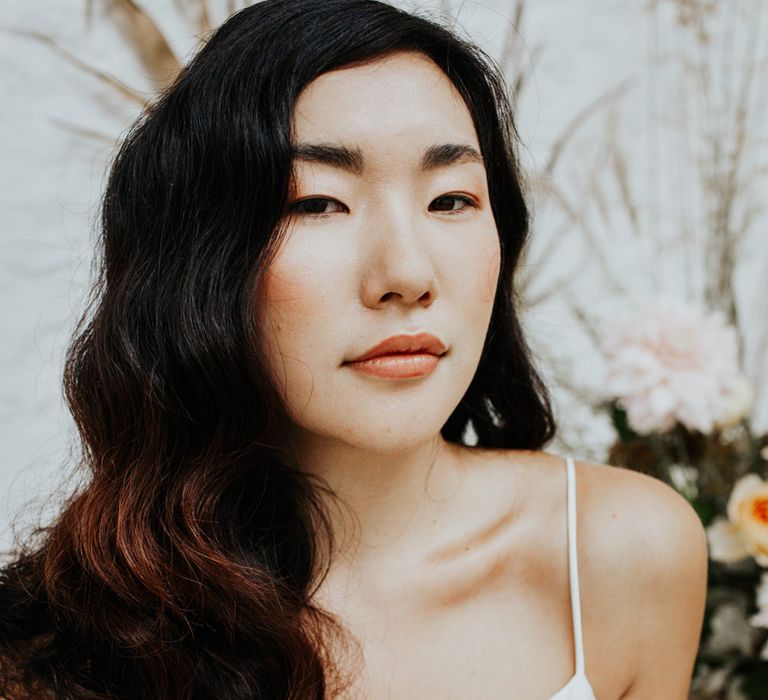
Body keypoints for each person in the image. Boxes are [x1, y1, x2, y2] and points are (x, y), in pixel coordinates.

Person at [0, 1, 708, 698]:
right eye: (317, 203)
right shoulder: (73, 639)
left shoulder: (623, 554)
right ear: (199, 265)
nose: (406, 274)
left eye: (451, 199)